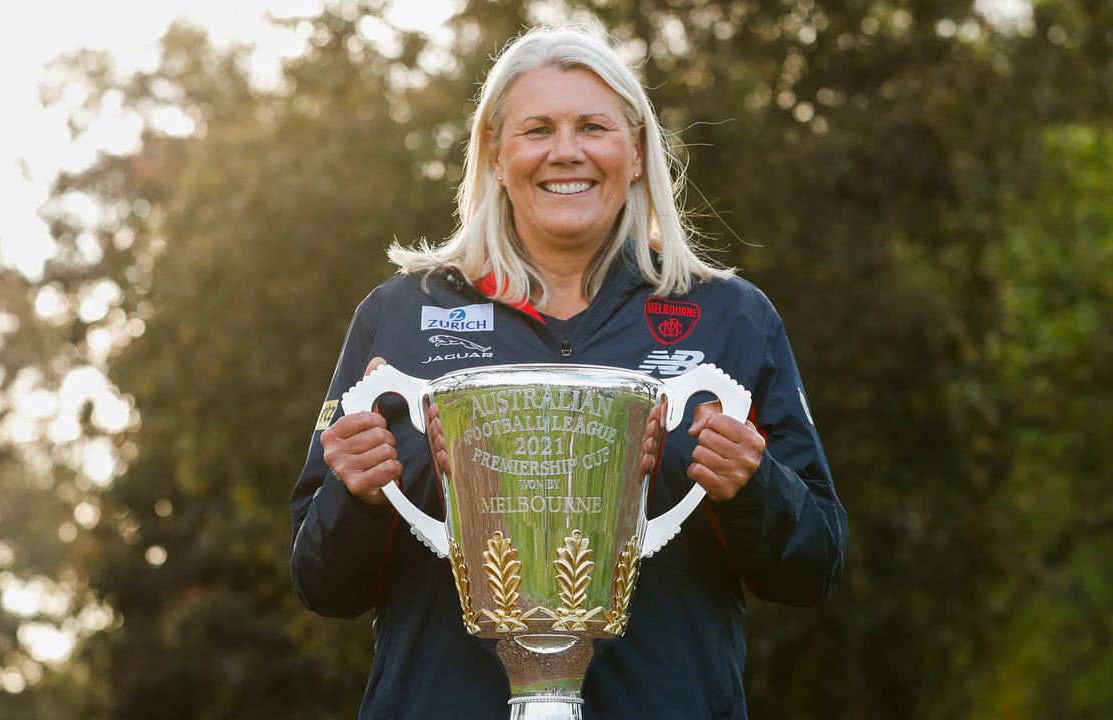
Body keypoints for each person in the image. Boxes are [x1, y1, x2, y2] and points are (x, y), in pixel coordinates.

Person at [289, 23, 847, 719]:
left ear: (637, 151)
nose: (566, 152)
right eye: (536, 130)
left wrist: (753, 486)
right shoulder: (398, 317)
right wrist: (356, 496)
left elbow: (815, 567)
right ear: (494, 154)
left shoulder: (731, 318)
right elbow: (321, 586)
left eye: (592, 126)